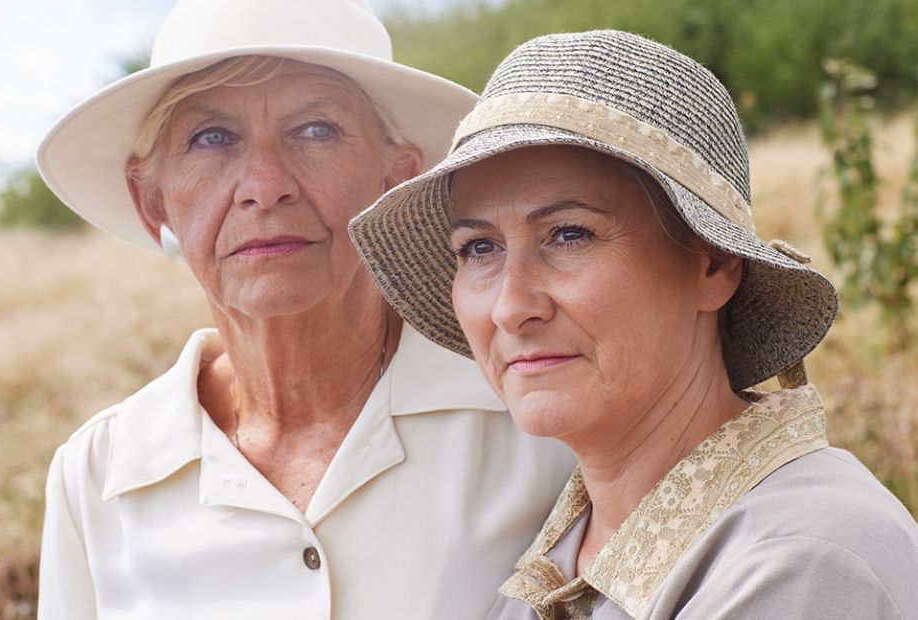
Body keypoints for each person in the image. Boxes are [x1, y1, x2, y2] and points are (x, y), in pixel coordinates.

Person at [349, 30, 918, 619]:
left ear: (713, 264)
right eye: (478, 248)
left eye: (569, 234)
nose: (510, 306)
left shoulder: (802, 561)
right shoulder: (557, 563)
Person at [35, 1, 574, 618]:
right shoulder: (98, 474)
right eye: (212, 138)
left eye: (316, 129)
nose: (266, 185)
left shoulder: (532, 416)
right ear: (152, 200)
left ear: (396, 181)